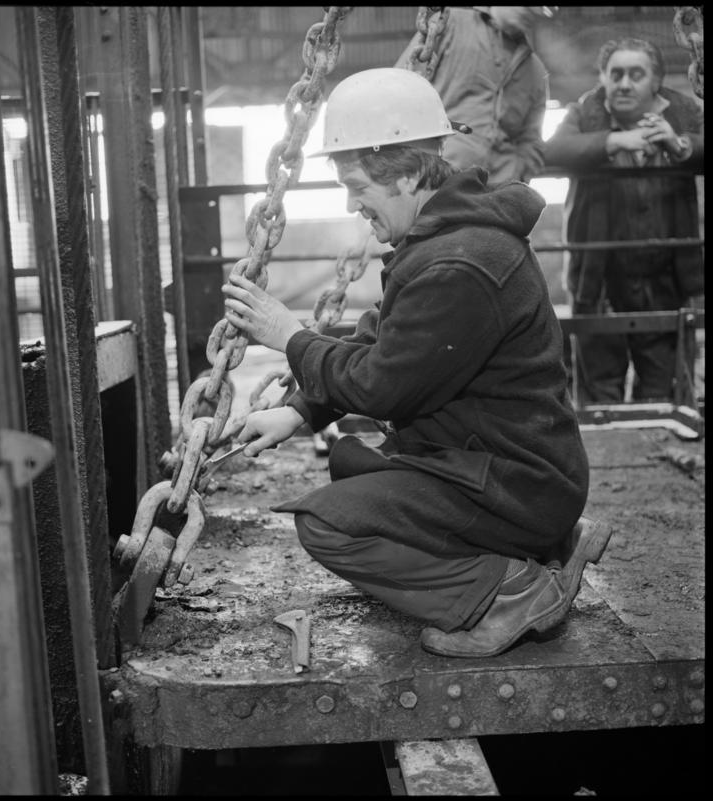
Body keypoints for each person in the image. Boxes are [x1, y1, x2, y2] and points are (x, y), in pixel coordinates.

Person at [221, 67, 605, 658]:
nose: (353, 206)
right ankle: (539, 550)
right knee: (360, 477)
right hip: (503, 466)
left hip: (515, 483)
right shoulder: (444, 244)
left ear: (405, 173)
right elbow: (382, 343)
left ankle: (513, 592)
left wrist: (289, 336)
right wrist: (299, 412)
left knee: (329, 525)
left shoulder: (459, 265)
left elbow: (383, 387)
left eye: (358, 187)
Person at [544, 37, 704, 403]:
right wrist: (616, 141)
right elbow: (550, 150)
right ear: (603, 78)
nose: (624, 84)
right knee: (600, 394)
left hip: (667, 278)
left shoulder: (683, 111)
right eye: (615, 74)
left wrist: (680, 144)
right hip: (598, 279)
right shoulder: (585, 111)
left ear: (656, 81)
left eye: (636, 74)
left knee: (665, 393)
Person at [395, 6, 554, 184]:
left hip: (495, 194)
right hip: (436, 182)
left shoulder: (535, 71)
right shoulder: (450, 25)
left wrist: (516, 175)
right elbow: (399, 89)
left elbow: (532, 140)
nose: (532, 11)